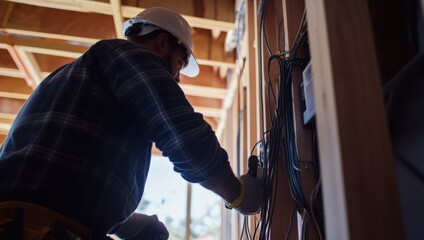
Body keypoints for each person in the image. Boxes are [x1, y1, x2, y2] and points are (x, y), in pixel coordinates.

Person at [0, 7, 263, 240]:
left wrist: (129, 226)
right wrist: (238, 194)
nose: (178, 79)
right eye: (180, 65)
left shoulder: (68, 77)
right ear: (162, 43)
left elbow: (64, 177)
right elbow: (184, 137)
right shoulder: (129, 54)